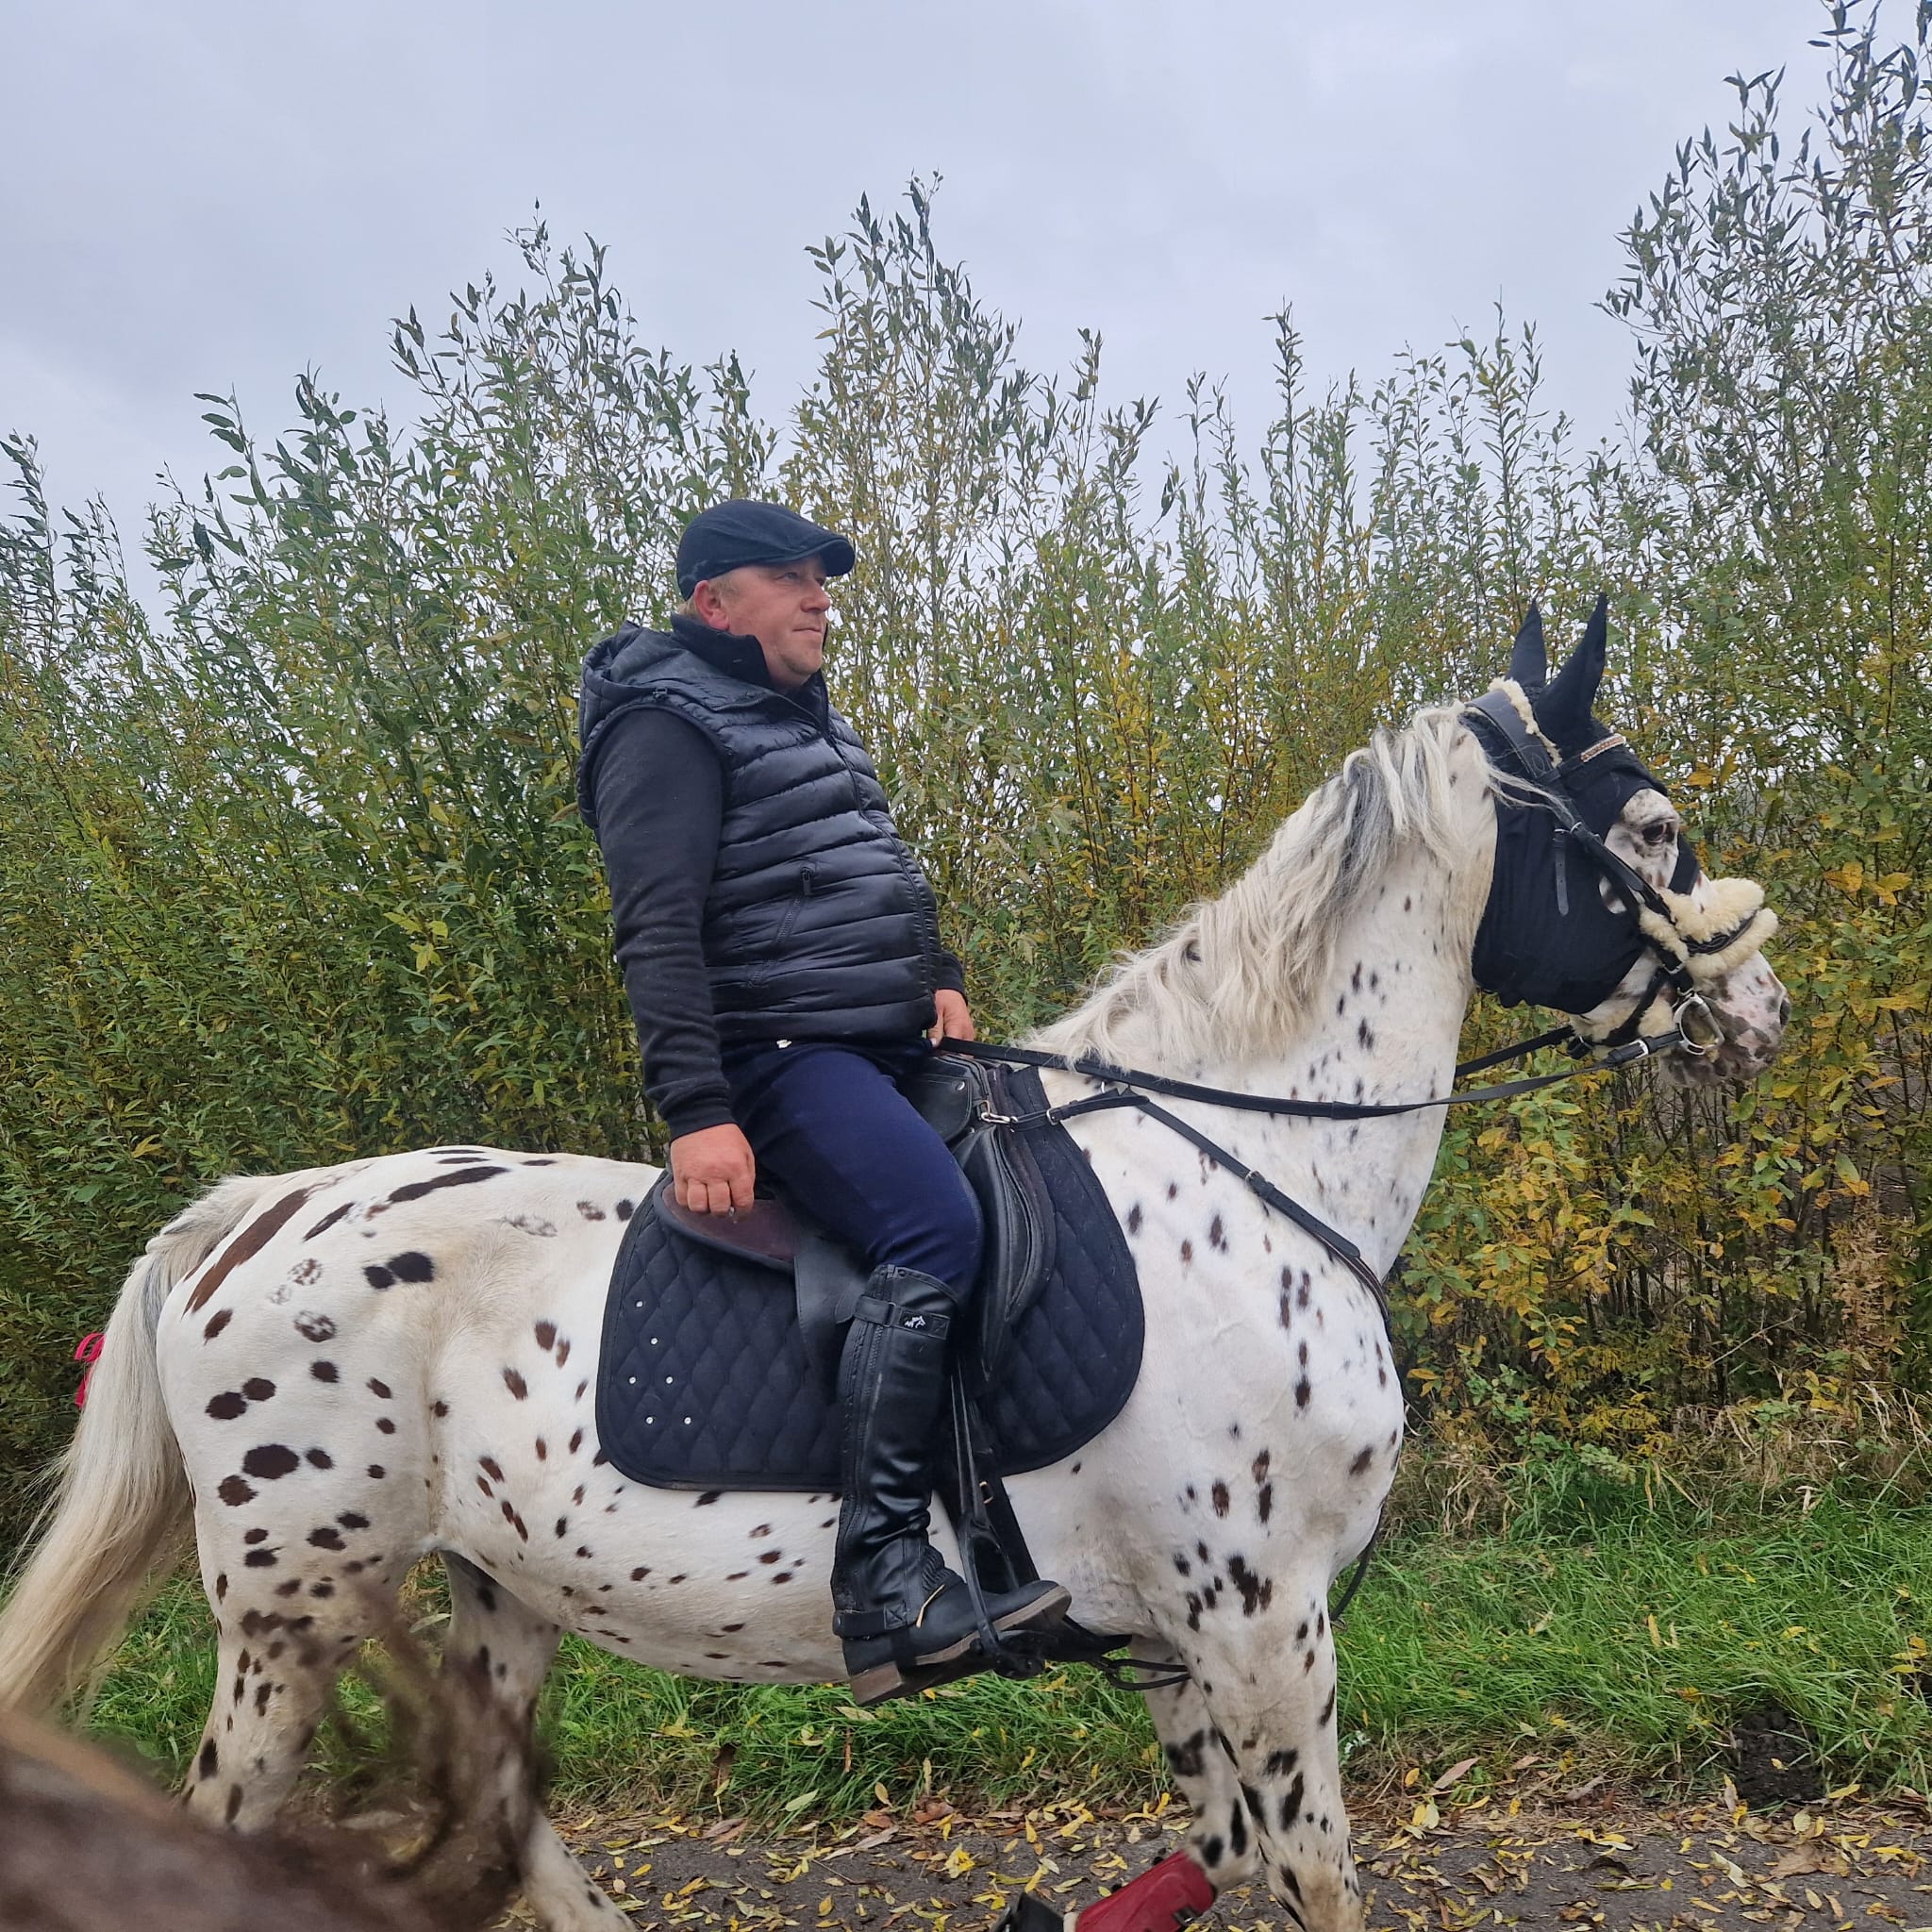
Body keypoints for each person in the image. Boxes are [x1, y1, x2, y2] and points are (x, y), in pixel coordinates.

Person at [575, 500, 1067, 1704]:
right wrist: (697, 1107)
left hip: (874, 1040)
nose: (819, 596)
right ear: (713, 602)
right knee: (932, 1229)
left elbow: (875, 864)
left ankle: (1011, 1523)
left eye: (823, 578)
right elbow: (656, 927)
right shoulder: (665, 722)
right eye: (790, 577)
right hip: (780, 1055)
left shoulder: (801, 715)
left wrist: (935, 971)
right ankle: (884, 1573)